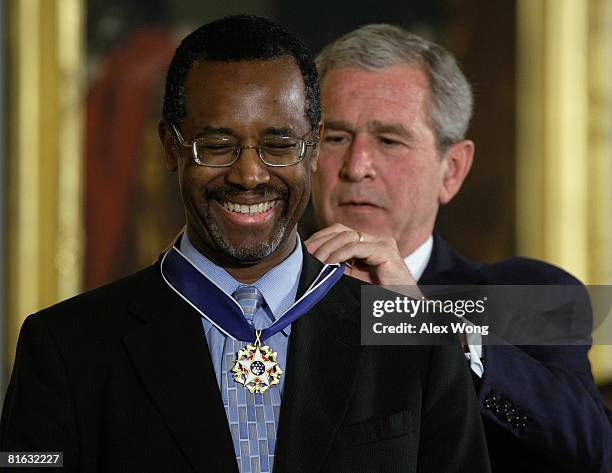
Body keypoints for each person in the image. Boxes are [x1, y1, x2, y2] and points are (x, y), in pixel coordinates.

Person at [0, 16, 491, 473]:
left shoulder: (426, 339)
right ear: (171, 147)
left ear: (312, 146)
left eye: (279, 145)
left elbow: (561, 409)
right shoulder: (65, 346)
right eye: (216, 146)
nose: (250, 175)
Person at [307, 24, 612, 473]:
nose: (357, 166)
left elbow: (592, 453)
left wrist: (426, 322)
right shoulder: (260, 295)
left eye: (389, 140)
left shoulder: (527, 294)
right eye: (335, 137)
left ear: (452, 170)